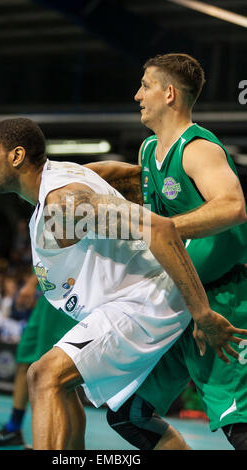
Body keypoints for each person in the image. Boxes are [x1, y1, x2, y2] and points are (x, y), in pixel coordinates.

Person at [0, 117, 247, 450]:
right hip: (128, 302)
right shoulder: (62, 180)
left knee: (44, 375)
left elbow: (160, 229)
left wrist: (202, 314)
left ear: (17, 156)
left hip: (144, 303)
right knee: (102, 405)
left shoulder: (65, 204)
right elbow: (140, 179)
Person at [88, 53, 247, 450]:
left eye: (145, 85)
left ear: (169, 93)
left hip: (223, 305)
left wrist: (166, 230)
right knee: (128, 413)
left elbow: (233, 207)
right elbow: (130, 183)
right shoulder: (148, 152)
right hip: (177, 307)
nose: (137, 94)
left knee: (240, 428)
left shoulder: (197, 148)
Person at [0, 274, 77, 448]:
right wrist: (32, 282)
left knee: (55, 377)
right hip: (48, 293)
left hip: (68, 292)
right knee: (25, 357)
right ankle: (13, 427)